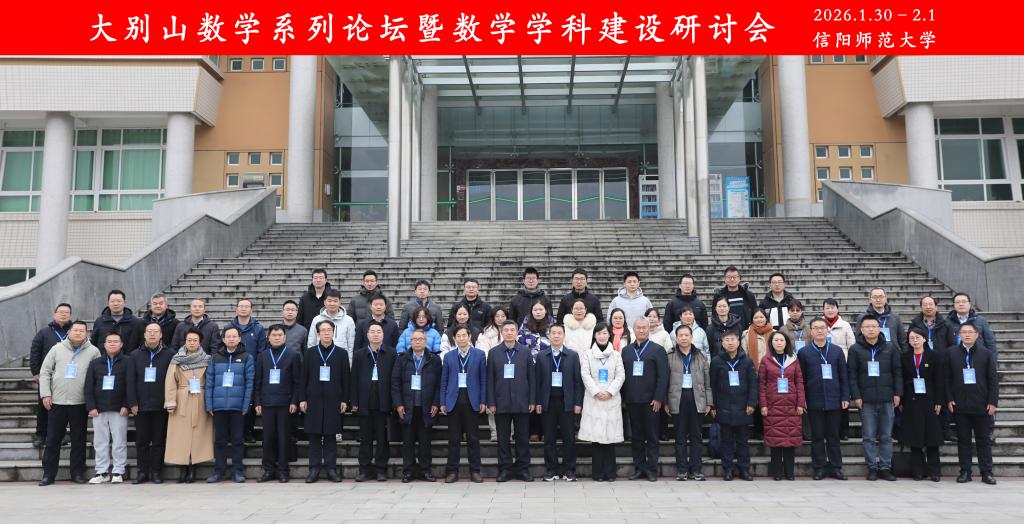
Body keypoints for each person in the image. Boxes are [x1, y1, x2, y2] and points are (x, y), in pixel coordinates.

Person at [38, 320, 100, 486]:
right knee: (52, 440)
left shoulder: (93, 351)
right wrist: (45, 394)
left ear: (86, 333)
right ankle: (48, 474)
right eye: (75, 330)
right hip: (57, 402)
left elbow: (97, 376)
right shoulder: (57, 349)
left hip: (80, 403)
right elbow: (45, 372)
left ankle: (77, 473)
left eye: (82, 330)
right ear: (69, 332)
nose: (78, 333)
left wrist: (93, 401)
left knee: (79, 440)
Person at [847, 314, 902, 481]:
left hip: (887, 398)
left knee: (886, 436)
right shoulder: (855, 349)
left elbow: (897, 372)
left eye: (874, 326)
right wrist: (856, 396)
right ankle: (872, 467)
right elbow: (852, 375)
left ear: (879, 329)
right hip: (866, 400)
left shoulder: (890, 348)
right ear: (861, 330)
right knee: (869, 436)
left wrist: (898, 393)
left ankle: (885, 467)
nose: (870, 329)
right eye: (867, 327)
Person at [946, 321, 999, 485]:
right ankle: (965, 472)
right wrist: (949, 398)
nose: (967, 335)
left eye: (970, 332)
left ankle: (986, 472)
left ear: (977, 335)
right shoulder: (951, 353)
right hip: (960, 404)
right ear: (959, 335)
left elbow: (993, 380)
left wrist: (992, 401)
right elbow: (947, 379)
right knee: (963, 441)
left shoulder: (986, 354)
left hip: (982, 405)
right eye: (964, 332)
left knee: (984, 440)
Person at [797, 317, 849, 480]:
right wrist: (803, 399)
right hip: (814, 400)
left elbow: (843, 375)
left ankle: (836, 467)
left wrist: (845, 396)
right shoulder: (804, 352)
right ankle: (819, 468)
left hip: (834, 399)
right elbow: (801, 379)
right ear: (811, 331)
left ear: (827, 330)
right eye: (816, 328)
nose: (819, 330)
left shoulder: (836, 351)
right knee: (817, 436)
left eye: (822, 327)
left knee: (833, 436)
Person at [300, 320, 350, 483]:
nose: (326, 333)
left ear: (333, 333)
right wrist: (302, 399)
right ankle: (313, 469)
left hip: (333, 399)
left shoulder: (341, 354)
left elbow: (346, 379)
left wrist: (344, 400)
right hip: (313, 399)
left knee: (330, 436)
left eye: (329, 330)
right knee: (314, 436)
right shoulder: (310, 353)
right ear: (318, 333)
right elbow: (303, 378)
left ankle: (331, 469)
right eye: (323, 330)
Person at [487, 320, 536, 482]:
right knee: (503, 438)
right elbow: (490, 379)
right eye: (506, 330)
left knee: (522, 438)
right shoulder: (494, 353)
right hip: (501, 402)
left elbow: (532, 378)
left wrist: (532, 400)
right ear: (502, 332)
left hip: (522, 401)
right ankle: (505, 469)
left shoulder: (525, 352)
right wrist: (491, 402)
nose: (509, 333)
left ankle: (523, 469)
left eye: (512, 330)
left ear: (517, 332)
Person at [205, 326, 255, 483]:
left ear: (239, 339)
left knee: (237, 440)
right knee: (220, 440)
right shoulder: (215, 358)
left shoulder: (247, 357)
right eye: (228, 336)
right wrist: (209, 404)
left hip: (238, 407)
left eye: (234, 336)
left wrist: (246, 405)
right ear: (223, 339)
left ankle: (237, 471)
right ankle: (219, 472)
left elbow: (250, 383)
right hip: (219, 406)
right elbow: (209, 382)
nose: (231, 339)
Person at [621, 318, 669, 481]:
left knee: (652, 437)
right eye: (638, 328)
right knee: (637, 437)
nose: (641, 330)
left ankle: (651, 469)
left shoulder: (657, 350)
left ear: (649, 329)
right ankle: (639, 468)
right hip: (632, 400)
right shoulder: (626, 351)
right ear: (634, 329)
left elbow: (663, 376)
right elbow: (622, 376)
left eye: (644, 328)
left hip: (651, 402)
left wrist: (658, 398)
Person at [391, 330, 442, 483]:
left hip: (427, 407)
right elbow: (395, 383)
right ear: (410, 341)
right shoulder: (402, 359)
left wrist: (436, 403)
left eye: (420, 339)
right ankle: (408, 471)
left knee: (425, 442)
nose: (418, 342)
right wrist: (398, 404)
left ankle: (425, 470)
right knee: (408, 442)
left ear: (426, 341)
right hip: (407, 407)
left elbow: (439, 384)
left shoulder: (434, 359)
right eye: (415, 339)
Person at [164, 329, 214, 484]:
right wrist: (171, 402)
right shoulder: (176, 360)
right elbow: (170, 382)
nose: (192, 343)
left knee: (199, 435)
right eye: (189, 340)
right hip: (182, 401)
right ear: (185, 341)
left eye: (195, 340)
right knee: (181, 436)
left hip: (200, 400)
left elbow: (211, 381)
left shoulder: (207, 359)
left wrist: (210, 403)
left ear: (200, 342)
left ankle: (193, 467)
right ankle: (182, 468)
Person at [126, 322, 174, 484]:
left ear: (161, 335)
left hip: (161, 405)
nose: (152, 334)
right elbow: (130, 381)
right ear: (144, 335)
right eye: (149, 331)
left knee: (159, 440)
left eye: (155, 331)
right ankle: (142, 471)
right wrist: (132, 403)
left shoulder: (169, 354)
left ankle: (156, 471)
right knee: (142, 441)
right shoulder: (135, 355)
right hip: (141, 405)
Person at [535, 324, 583, 481]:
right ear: (549, 336)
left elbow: (578, 381)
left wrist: (578, 402)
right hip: (548, 402)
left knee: (569, 438)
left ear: (564, 335)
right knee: (549, 438)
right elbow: (538, 381)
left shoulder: (573, 356)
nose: (556, 336)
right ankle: (552, 470)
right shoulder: (542, 356)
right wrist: (538, 402)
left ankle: (570, 470)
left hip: (567, 402)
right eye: (553, 333)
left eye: (559, 333)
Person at [254, 325, 303, 483]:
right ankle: (268, 469)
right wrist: (257, 401)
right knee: (268, 438)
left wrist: (294, 400)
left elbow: (297, 381)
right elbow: (258, 381)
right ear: (268, 338)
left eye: (280, 335)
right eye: (274, 335)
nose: (277, 337)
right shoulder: (262, 356)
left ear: (285, 337)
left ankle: (283, 470)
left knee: (284, 437)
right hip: (267, 403)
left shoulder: (293, 355)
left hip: (286, 404)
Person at [440, 325, 488, 483]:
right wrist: (442, 401)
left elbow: (483, 379)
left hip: (472, 400)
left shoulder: (479, 355)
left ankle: (475, 471)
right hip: (453, 401)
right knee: (453, 439)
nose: (461, 338)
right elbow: (444, 380)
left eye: (464, 335)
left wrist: (483, 400)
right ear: (454, 338)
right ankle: (452, 471)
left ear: (469, 337)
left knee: (473, 438)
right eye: (458, 336)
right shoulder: (449, 356)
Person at [578, 323, 626, 482]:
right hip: (594, 398)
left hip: (611, 398)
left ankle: (610, 473)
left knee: (610, 439)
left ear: (609, 335)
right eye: (599, 333)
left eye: (605, 333)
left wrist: (610, 391)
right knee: (597, 438)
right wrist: (596, 391)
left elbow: (620, 376)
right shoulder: (588, 354)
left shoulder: (616, 355)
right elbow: (585, 375)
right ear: (595, 336)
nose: (602, 336)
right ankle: (597, 473)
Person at [350, 322, 396, 482]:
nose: (376, 334)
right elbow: (354, 379)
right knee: (365, 437)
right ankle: (365, 469)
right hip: (365, 400)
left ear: (383, 335)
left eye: (379, 332)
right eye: (372, 332)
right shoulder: (359, 354)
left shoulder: (391, 353)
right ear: (367, 335)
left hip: (384, 400)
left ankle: (381, 469)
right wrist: (354, 401)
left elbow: (395, 379)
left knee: (382, 438)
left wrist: (394, 401)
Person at [665, 325, 713, 481]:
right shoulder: (670, 356)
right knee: (679, 437)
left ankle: (696, 469)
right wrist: (666, 401)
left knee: (696, 437)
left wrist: (709, 402)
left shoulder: (700, 356)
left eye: (686, 335)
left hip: (697, 398)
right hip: (677, 398)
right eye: (681, 335)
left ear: (691, 337)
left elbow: (707, 382)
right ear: (676, 338)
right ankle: (682, 470)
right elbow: (665, 381)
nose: (684, 338)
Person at [708, 330, 757, 481]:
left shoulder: (747, 361)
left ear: (738, 342)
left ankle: (744, 469)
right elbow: (712, 385)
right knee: (726, 441)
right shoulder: (716, 362)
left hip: (743, 407)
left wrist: (751, 403)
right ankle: (728, 469)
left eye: (733, 339)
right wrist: (713, 405)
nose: (730, 343)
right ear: (722, 343)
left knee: (743, 441)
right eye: (727, 340)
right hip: (723, 406)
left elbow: (753, 384)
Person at [758, 332, 806, 481]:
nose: (779, 342)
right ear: (771, 343)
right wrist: (763, 405)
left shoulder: (793, 359)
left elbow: (799, 382)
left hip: (792, 405)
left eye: (782, 340)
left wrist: (801, 403)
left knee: (790, 440)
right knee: (775, 440)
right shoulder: (766, 360)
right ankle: (777, 473)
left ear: (786, 343)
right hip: (773, 405)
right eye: (776, 340)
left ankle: (790, 473)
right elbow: (762, 384)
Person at [85, 332, 131, 484]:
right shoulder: (95, 363)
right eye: (109, 341)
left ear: (121, 344)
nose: (112, 344)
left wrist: (126, 405)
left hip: (119, 409)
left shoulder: (128, 362)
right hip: (99, 409)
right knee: (100, 442)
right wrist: (91, 406)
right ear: (104, 344)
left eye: (115, 341)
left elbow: (130, 386)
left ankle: (118, 470)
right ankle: (102, 471)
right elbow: (89, 386)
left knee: (119, 441)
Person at [899, 326, 944, 482]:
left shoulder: (934, 356)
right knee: (915, 437)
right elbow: (901, 378)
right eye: (911, 338)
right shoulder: (905, 357)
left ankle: (934, 471)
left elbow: (940, 380)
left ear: (924, 339)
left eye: (917, 337)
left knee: (932, 438)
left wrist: (939, 401)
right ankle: (917, 471)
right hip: (911, 400)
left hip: (930, 400)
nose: (915, 341)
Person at [30, 303, 72, 449]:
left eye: (66, 312)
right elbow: (35, 352)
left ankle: (59, 435)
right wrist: (36, 372)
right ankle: (41, 435)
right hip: (46, 376)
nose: (63, 314)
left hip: (67, 377)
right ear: (54, 314)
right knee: (43, 407)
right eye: (60, 312)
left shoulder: (74, 332)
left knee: (62, 408)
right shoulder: (44, 333)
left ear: (70, 315)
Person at [856, 288, 908, 353]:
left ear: (886, 299)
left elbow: (902, 339)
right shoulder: (863, 318)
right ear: (870, 300)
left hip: (893, 353)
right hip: (872, 353)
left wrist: (904, 354)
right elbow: (859, 339)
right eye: (875, 297)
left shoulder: (895, 317)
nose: (878, 300)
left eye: (881, 297)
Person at [306, 289, 356, 356]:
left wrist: (349, 361)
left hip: (341, 358)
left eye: (335, 301)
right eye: (329, 301)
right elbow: (311, 342)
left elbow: (351, 345)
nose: (332, 304)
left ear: (340, 302)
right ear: (324, 302)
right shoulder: (317, 319)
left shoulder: (348, 320)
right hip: (320, 356)